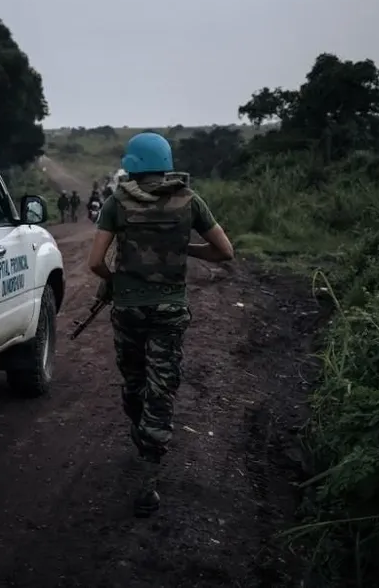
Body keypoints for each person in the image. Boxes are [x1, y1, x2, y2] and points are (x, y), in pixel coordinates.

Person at [86, 131, 234, 517]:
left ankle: (141, 437)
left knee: (134, 381)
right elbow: (224, 251)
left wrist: (117, 283)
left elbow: (95, 262)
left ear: (132, 164)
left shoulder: (117, 202)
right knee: (161, 385)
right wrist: (183, 246)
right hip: (169, 311)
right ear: (167, 162)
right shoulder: (190, 200)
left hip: (129, 309)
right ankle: (150, 473)